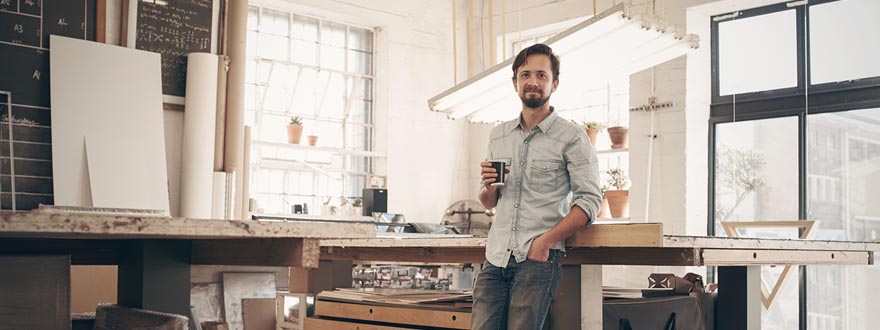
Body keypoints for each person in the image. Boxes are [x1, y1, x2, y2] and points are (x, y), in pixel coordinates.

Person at [471, 43, 602, 330]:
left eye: (541, 75)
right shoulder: (499, 134)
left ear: (554, 84)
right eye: (525, 74)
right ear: (515, 82)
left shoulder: (572, 137)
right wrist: (488, 188)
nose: (533, 81)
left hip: (537, 259)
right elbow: (490, 201)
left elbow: (590, 202)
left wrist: (545, 243)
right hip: (495, 258)